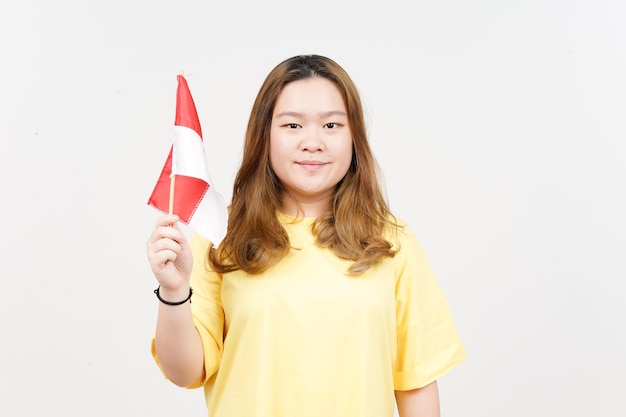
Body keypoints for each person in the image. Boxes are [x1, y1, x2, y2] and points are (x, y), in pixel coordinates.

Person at [146, 54, 467, 417]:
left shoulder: (391, 241)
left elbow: (416, 384)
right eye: (292, 126)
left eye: (331, 125)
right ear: (264, 135)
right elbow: (185, 371)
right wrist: (174, 292)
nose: (313, 142)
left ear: (354, 137)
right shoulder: (223, 233)